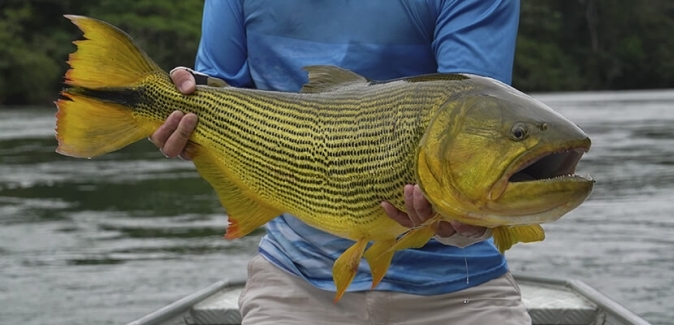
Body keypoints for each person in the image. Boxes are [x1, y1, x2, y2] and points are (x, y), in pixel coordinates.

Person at [149, 1, 531, 324]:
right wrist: (174, 113)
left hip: (461, 294)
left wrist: (466, 222)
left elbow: (481, 124)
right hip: (294, 283)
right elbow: (214, 94)